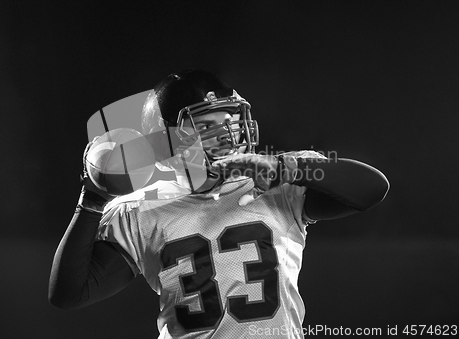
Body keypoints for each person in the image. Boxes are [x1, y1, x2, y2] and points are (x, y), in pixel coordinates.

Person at [49, 70, 389, 339]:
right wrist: (92, 200)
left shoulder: (275, 180)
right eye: (208, 123)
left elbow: (373, 189)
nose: (227, 132)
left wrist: (289, 168)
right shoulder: (140, 208)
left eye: (230, 118)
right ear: (168, 138)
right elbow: (70, 293)